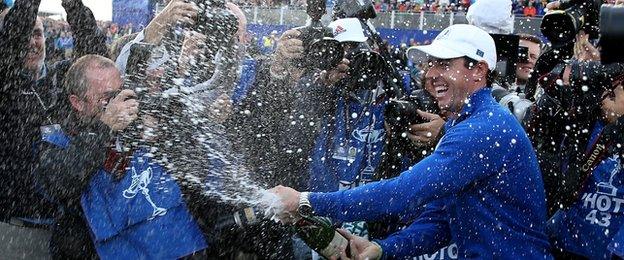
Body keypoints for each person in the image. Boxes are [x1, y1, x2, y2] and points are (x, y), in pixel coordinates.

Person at [271, 24, 552, 259]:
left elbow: (404, 192)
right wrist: (381, 248)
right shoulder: (467, 122)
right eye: (430, 64)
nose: (431, 74)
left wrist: (306, 201)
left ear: (478, 70)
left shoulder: (484, 128)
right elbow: (441, 220)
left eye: (444, 63)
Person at [34, 55, 209, 258]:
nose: (118, 104)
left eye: (120, 93)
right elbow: (60, 183)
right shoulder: (58, 138)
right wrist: (104, 127)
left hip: (179, 244)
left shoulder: (141, 118)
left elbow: (196, 168)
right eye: (107, 98)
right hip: (115, 250)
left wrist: (165, 132)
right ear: (78, 102)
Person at [0, 0, 107, 257]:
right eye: (25, 33)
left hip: (68, 232)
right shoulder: (5, 84)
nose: (31, 42)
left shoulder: (60, 79)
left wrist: (73, 5)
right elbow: (13, 40)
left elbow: (95, 59)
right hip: (15, 229)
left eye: (37, 33)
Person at [547, 83, 624, 259]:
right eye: (605, 91)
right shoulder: (585, 127)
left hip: (607, 250)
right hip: (567, 243)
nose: (604, 99)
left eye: (612, 95)